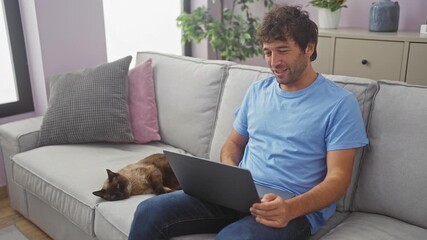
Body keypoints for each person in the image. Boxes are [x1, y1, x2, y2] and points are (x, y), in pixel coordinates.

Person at [128, 4, 368, 240]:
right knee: (149, 211)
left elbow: (338, 180)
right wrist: (230, 177)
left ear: (309, 48)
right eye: (268, 52)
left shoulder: (339, 104)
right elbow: (232, 144)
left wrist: (290, 209)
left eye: (283, 50)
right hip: (239, 195)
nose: (274, 61)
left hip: (291, 208)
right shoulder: (257, 91)